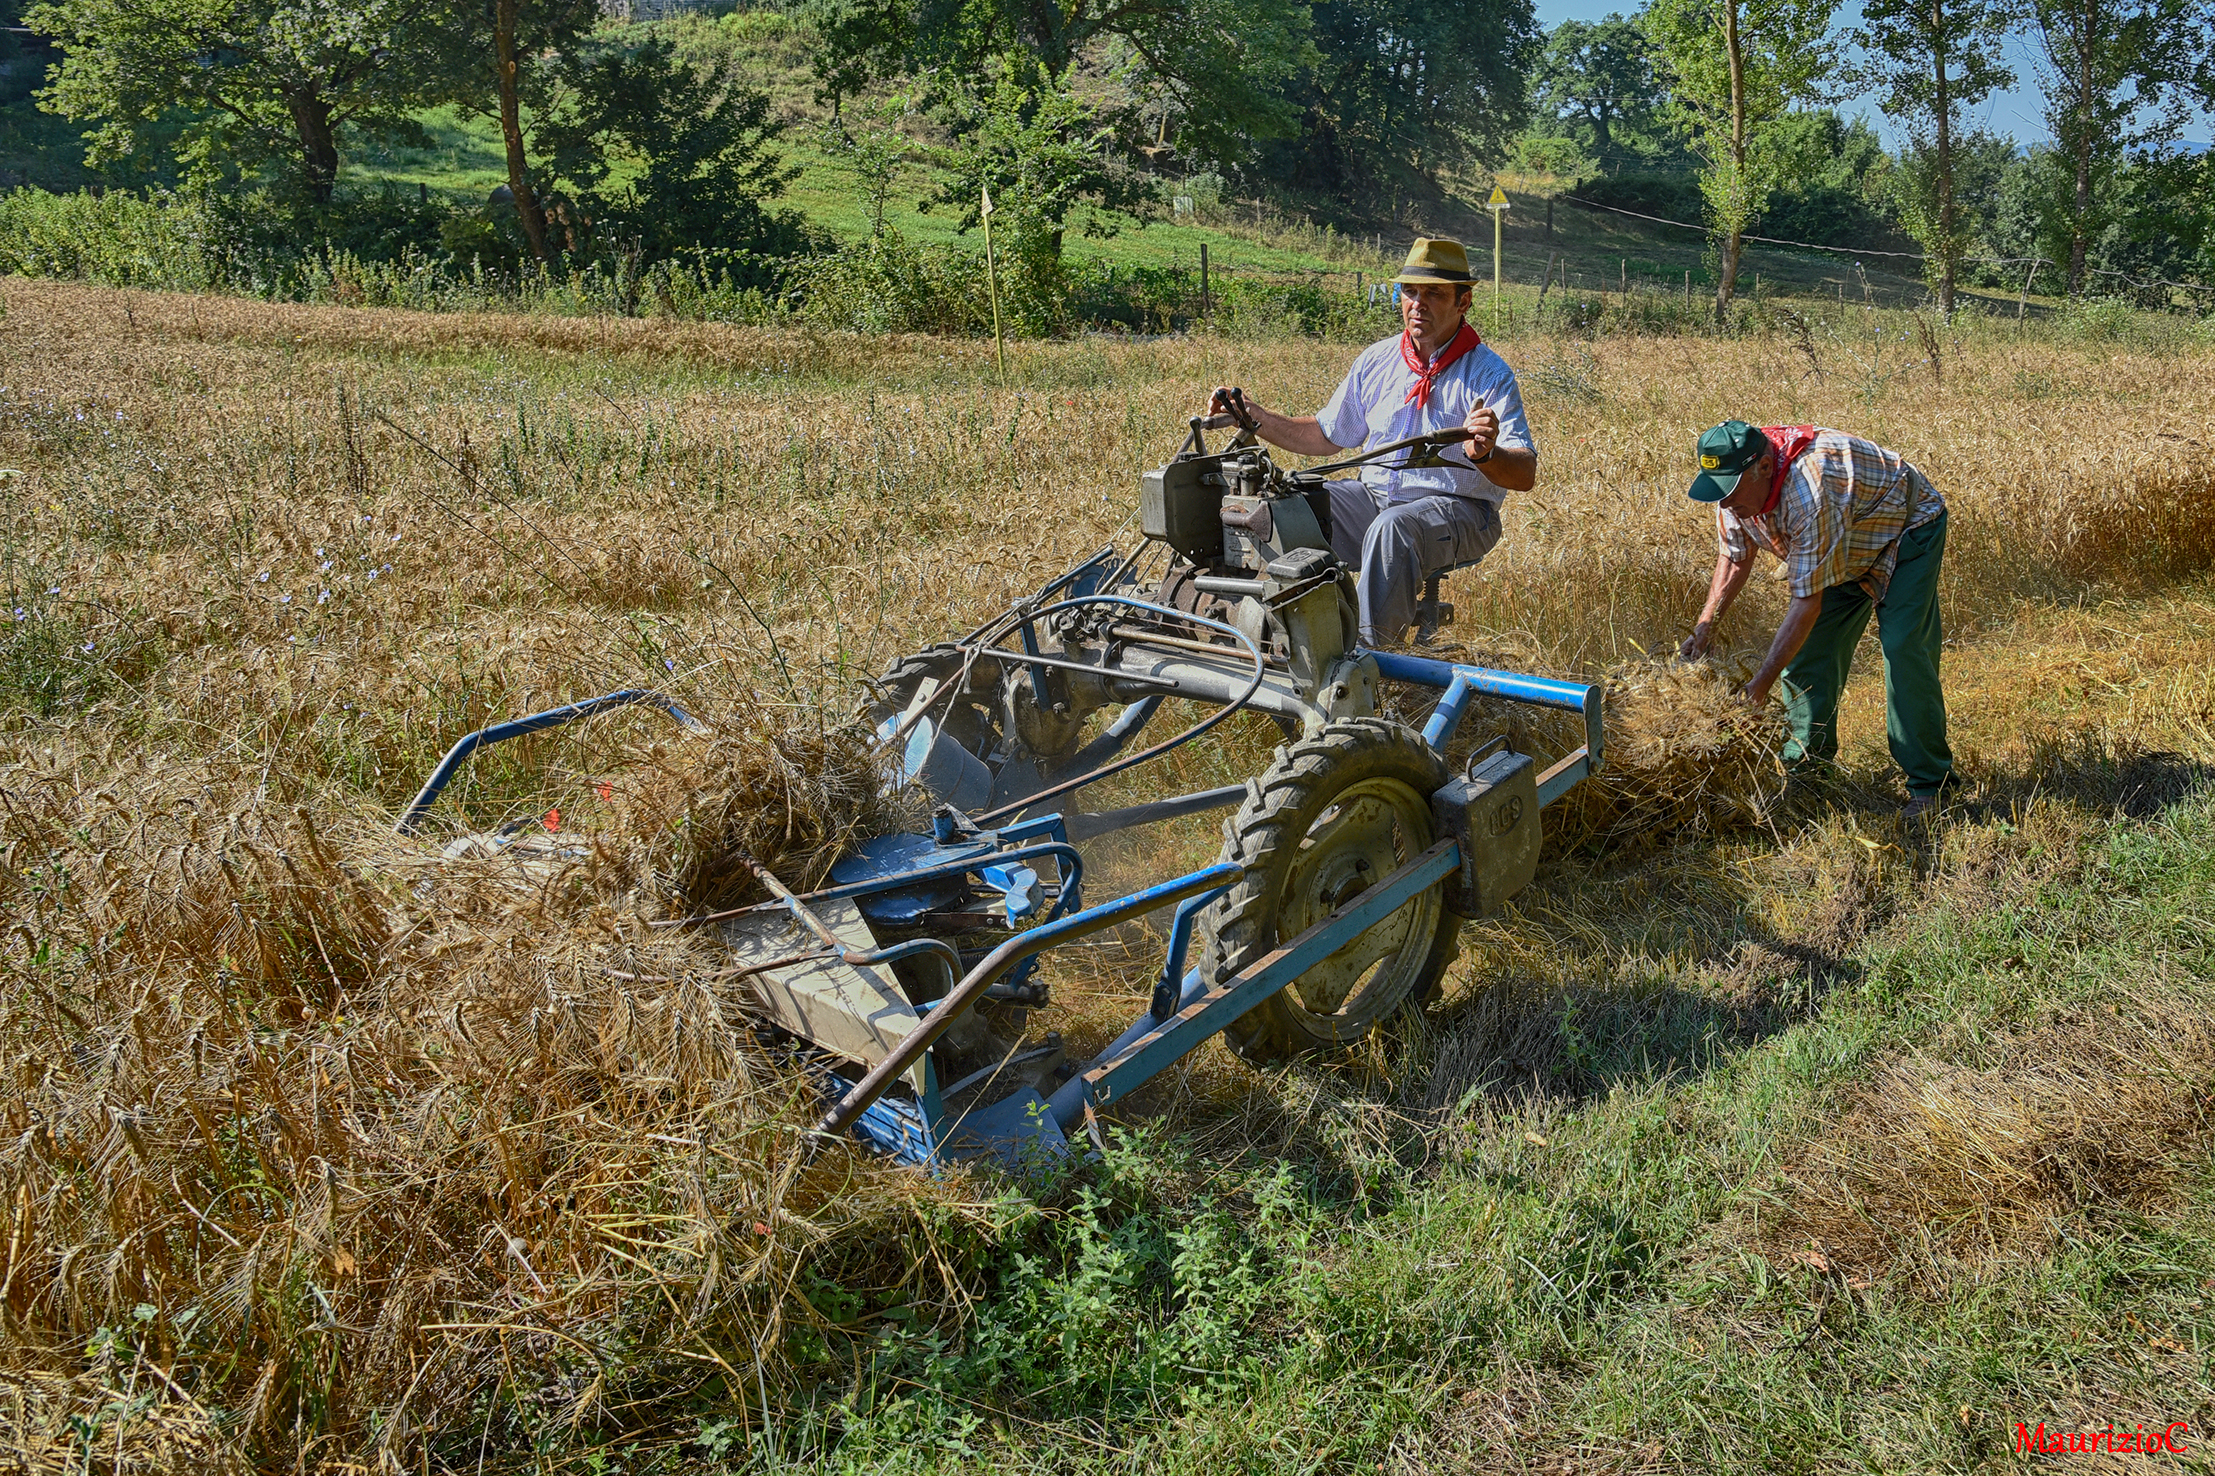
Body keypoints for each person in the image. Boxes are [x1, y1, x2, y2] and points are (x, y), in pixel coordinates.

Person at [1204, 238, 1536, 646]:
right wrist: (1254, 417)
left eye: (1434, 293)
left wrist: (1487, 455)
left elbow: (1523, 474)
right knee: (1286, 507)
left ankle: (1364, 664)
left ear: (1463, 302)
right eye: (1410, 291)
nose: (1418, 303)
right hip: (1375, 499)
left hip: (1463, 512)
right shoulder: (1378, 361)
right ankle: (1270, 635)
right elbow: (1326, 436)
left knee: (1391, 529)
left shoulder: (1488, 373)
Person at [1678, 420, 1956, 819]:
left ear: (1764, 468)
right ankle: (1808, 770)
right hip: (1842, 541)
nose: (1724, 503)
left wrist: (1759, 687)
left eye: (1730, 491)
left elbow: (1805, 604)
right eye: (1717, 491)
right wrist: (1706, 626)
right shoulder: (1736, 494)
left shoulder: (1810, 491)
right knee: (1809, 656)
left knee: (1903, 650)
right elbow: (1735, 557)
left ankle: (1931, 786)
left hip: (1904, 528)